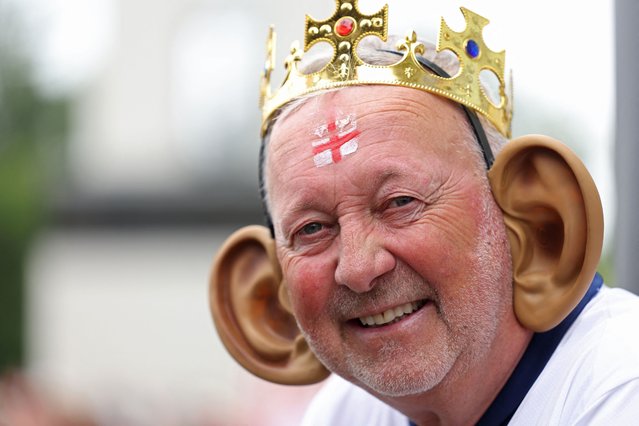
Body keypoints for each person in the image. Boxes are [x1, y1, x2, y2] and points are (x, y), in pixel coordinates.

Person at [209, 1, 639, 424]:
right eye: (313, 229)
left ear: (534, 222)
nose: (359, 269)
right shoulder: (346, 413)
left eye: (400, 203)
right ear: (270, 299)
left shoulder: (620, 386)